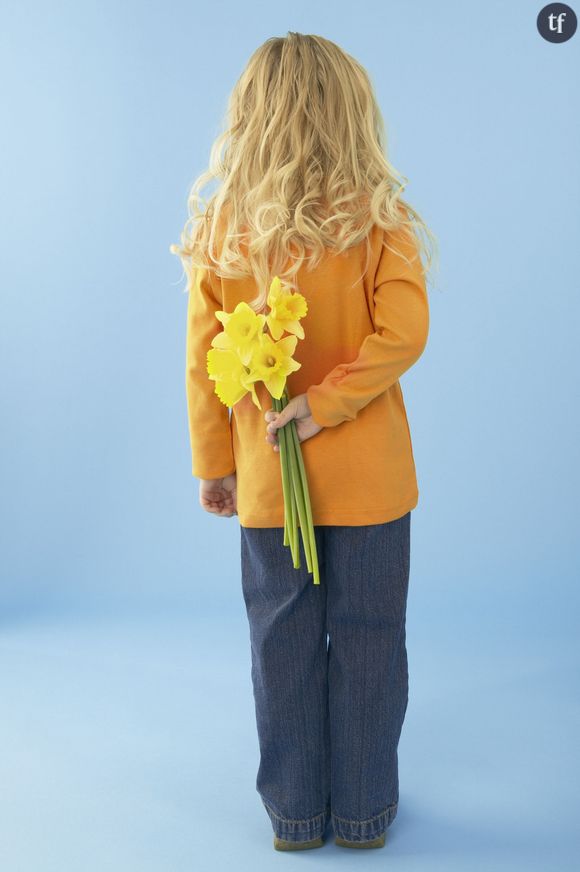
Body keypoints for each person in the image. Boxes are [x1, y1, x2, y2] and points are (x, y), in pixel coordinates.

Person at [172, 31, 437, 851]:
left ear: (249, 116)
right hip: (372, 487)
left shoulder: (224, 229)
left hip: (265, 484)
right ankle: (362, 813)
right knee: (369, 640)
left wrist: (215, 465)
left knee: (281, 641)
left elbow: (202, 362)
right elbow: (405, 332)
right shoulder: (379, 220)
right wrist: (333, 403)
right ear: (352, 113)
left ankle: (297, 815)